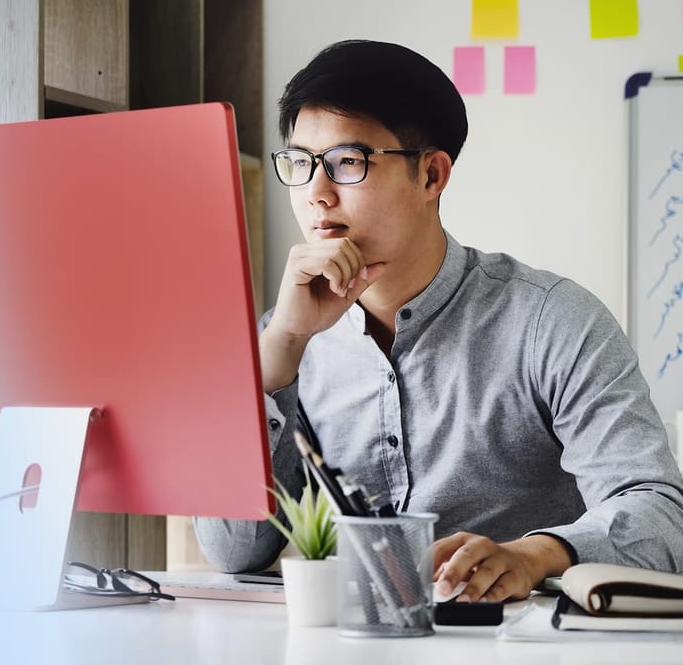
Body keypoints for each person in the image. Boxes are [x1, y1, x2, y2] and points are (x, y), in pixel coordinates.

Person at [194, 40, 683, 602]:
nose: (317, 194)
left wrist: (535, 554)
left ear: (431, 175)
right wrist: (279, 352)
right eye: (301, 163)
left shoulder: (552, 320)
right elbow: (233, 551)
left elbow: (661, 514)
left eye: (348, 162)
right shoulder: (282, 337)